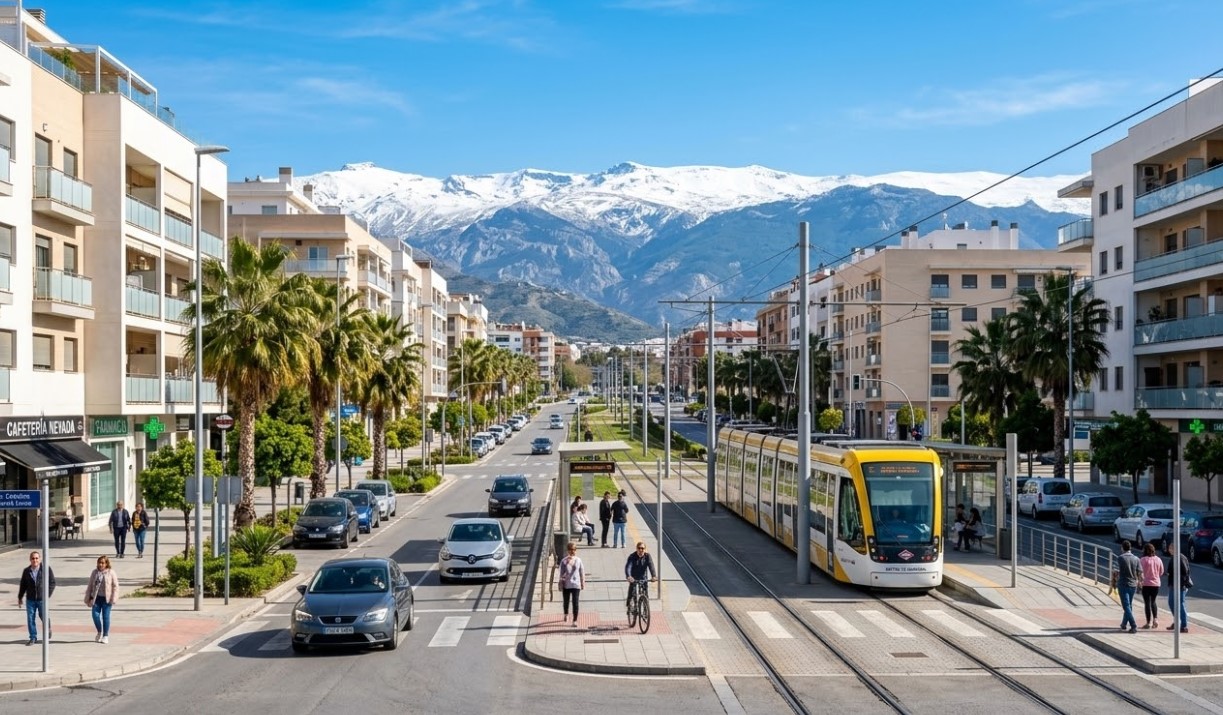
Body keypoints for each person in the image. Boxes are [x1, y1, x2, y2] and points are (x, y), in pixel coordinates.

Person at [17, 551, 55, 645]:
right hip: (30, 599)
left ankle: (48, 628)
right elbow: (23, 585)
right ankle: (33, 637)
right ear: (30, 560)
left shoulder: (45, 569)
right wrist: (20, 597)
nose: (35, 560)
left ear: (40, 559)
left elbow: (52, 582)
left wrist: (47, 595)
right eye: (33, 558)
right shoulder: (27, 571)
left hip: (42, 599)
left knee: (43, 616)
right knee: (30, 618)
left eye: (37, 558)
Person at [84, 555, 119, 644]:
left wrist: (113, 598)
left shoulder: (111, 572)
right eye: (99, 563)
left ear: (106, 564)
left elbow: (115, 586)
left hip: (107, 599)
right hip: (96, 598)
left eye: (103, 563)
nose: (100, 565)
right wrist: (88, 598)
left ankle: (105, 635)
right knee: (95, 615)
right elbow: (90, 586)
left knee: (105, 617)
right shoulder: (95, 573)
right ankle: (99, 631)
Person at [1112, 540, 1141, 634]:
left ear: (1122, 548)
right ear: (1130, 548)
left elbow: (1116, 571)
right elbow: (1139, 572)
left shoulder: (1120, 558)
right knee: (1129, 605)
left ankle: (1133, 625)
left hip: (1123, 584)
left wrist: (1114, 581)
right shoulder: (1136, 558)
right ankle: (1124, 624)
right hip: (1133, 585)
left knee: (1126, 606)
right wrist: (1139, 582)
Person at [1165, 542, 1191, 633]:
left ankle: (1184, 625)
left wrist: (1180, 583)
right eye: (1169, 548)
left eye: (1170, 548)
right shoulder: (1174, 557)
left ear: (1175, 548)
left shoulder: (1180, 558)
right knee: (1171, 603)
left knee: (1180, 605)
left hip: (1180, 586)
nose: (1169, 550)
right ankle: (1177, 621)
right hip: (1173, 585)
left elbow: (1185, 572)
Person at [557, 542, 585, 626]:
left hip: (576, 584)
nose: (572, 551)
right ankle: (566, 614)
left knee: (575, 602)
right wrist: (560, 583)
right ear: (568, 550)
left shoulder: (578, 560)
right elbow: (560, 573)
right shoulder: (564, 561)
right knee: (566, 601)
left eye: (574, 550)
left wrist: (582, 582)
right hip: (566, 584)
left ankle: (575, 620)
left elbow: (582, 571)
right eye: (571, 550)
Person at [624, 541, 657, 610]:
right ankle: (629, 604)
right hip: (634, 577)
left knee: (645, 593)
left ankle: (645, 609)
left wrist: (653, 576)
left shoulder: (647, 556)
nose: (641, 550)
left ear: (645, 549)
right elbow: (628, 567)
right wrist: (629, 576)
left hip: (643, 577)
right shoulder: (632, 556)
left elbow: (651, 566)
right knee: (632, 590)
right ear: (636, 549)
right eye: (639, 548)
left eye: (642, 548)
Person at [1139, 542, 1164, 629]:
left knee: (1147, 603)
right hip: (1156, 584)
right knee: (1153, 601)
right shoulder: (1158, 559)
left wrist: (1140, 580)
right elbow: (1161, 572)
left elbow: (1139, 571)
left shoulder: (1142, 560)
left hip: (1146, 584)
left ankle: (1148, 622)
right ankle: (1156, 619)